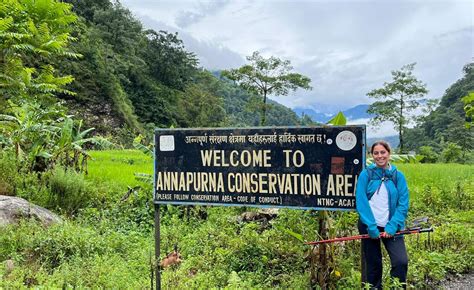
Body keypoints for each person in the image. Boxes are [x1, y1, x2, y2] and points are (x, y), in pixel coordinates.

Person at [355, 140, 409, 289]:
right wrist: (371, 226)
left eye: (383, 152)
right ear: (372, 155)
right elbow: (361, 202)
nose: (379, 156)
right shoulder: (366, 174)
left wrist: (392, 226)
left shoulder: (398, 176)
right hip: (369, 226)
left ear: (389, 154)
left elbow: (403, 204)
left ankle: (396, 287)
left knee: (400, 262)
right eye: (376, 153)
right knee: (373, 264)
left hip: (392, 226)